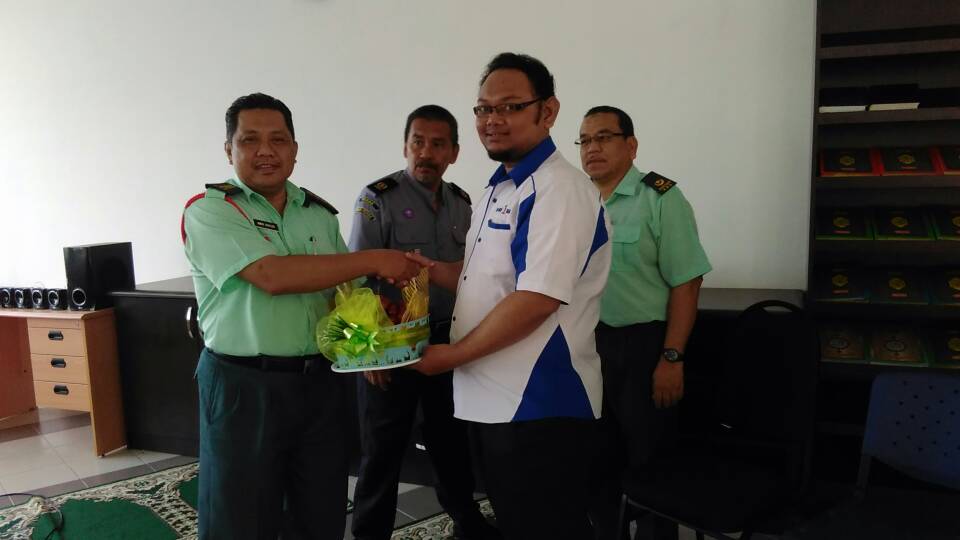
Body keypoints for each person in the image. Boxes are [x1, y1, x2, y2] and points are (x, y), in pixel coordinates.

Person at [181, 92, 421, 540]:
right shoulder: (211, 210)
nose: (266, 151)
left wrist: (373, 344)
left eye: (278, 140)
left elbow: (342, 294)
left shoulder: (317, 214)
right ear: (229, 150)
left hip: (319, 387)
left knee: (319, 510)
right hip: (243, 387)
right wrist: (374, 259)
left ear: (295, 149)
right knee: (239, 517)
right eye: (250, 140)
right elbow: (271, 275)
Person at [407, 53, 612, 540]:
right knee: (520, 522)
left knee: (547, 527)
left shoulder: (558, 190)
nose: (492, 120)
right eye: (483, 109)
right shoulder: (500, 187)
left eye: (510, 107)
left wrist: (451, 355)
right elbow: (485, 278)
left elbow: (537, 298)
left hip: (541, 401)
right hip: (494, 399)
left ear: (548, 111)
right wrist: (426, 271)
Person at [348, 105, 499, 540]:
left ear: (453, 152)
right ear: (405, 146)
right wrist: (369, 351)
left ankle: (466, 522)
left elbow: (471, 273)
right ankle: (370, 534)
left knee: (451, 440)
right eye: (418, 142)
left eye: (437, 144)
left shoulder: (461, 203)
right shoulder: (377, 198)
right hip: (391, 342)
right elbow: (358, 277)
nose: (426, 153)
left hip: (446, 341)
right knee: (382, 449)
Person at [578, 106, 712, 540]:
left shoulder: (661, 197)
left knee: (650, 466)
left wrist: (672, 357)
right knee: (595, 461)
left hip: (643, 349)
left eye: (603, 137)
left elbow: (687, 282)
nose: (592, 148)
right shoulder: (576, 202)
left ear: (631, 145)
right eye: (585, 140)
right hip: (587, 349)